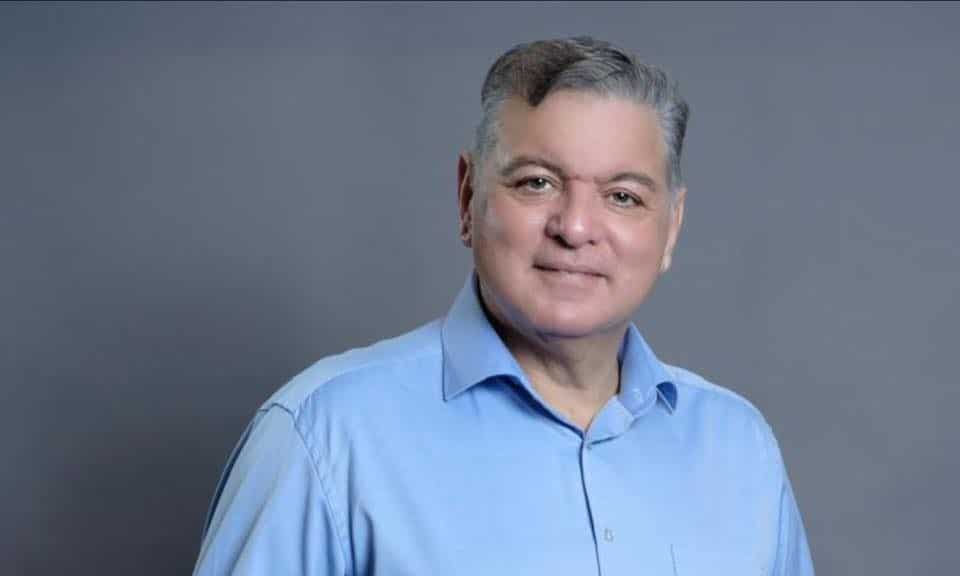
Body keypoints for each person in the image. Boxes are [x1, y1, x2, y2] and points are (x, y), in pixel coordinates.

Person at [193, 36, 814, 575]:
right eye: (536, 183)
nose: (575, 227)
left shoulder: (740, 448)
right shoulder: (324, 435)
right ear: (468, 198)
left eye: (622, 196)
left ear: (671, 227)